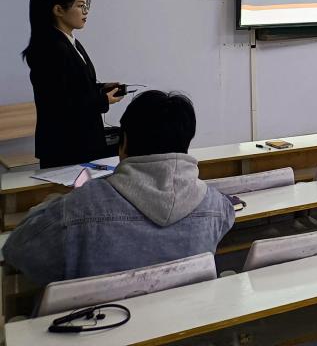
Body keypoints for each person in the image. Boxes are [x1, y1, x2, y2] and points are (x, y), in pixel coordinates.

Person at [4, 90, 235, 286]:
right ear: (186, 143)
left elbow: (16, 250)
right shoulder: (217, 205)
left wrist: (50, 203)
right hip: (186, 320)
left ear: (123, 142)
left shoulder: (78, 208)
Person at [21, 0, 125, 168]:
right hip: (66, 144)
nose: (86, 11)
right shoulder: (50, 47)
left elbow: (74, 85)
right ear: (59, 10)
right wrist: (103, 100)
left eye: (87, 6)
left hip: (81, 139)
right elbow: (59, 100)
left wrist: (101, 88)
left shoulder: (69, 42)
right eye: (80, 6)